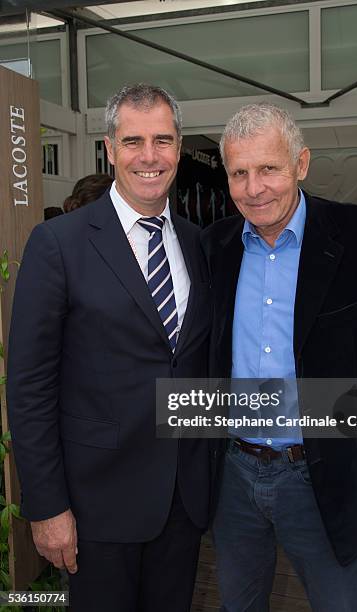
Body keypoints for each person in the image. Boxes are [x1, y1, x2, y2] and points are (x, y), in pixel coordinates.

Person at [7, 84, 215, 612]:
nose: (150, 156)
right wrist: (47, 507)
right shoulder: (59, 243)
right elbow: (30, 388)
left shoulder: (197, 241)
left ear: (180, 146)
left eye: (163, 140)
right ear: (109, 147)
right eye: (134, 141)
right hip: (94, 507)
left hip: (182, 501)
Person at [201, 102, 357, 611]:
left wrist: (353, 442)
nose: (254, 188)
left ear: (302, 163)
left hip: (322, 475)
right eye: (239, 173)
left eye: (269, 169)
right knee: (237, 603)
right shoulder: (214, 245)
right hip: (233, 473)